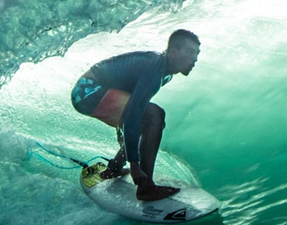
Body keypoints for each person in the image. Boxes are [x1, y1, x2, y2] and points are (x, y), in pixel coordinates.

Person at [71, 29, 201, 202]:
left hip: (98, 91)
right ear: (173, 51)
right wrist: (134, 164)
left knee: (145, 120)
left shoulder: (165, 73)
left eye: (197, 54)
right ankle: (146, 188)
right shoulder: (155, 67)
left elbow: (131, 102)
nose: (195, 59)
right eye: (190, 52)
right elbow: (133, 113)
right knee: (154, 116)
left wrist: (124, 133)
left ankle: (115, 168)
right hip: (87, 91)